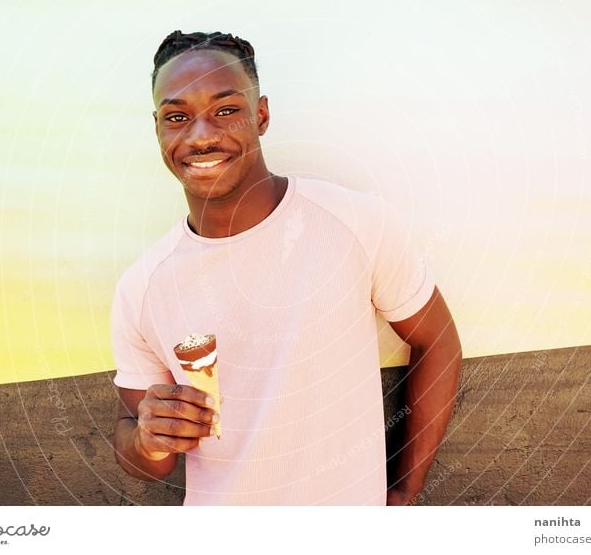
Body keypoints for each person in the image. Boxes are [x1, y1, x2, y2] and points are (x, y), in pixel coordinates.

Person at [111, 30, 462, 505]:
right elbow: (142, 455)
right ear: (159, 130)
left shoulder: (355, 222)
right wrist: (147, 440)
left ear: (261, 115)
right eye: (177, 117)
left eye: (226, 110)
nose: (201, 135)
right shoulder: (143, 287)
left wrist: (405, 489)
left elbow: (437, 341)